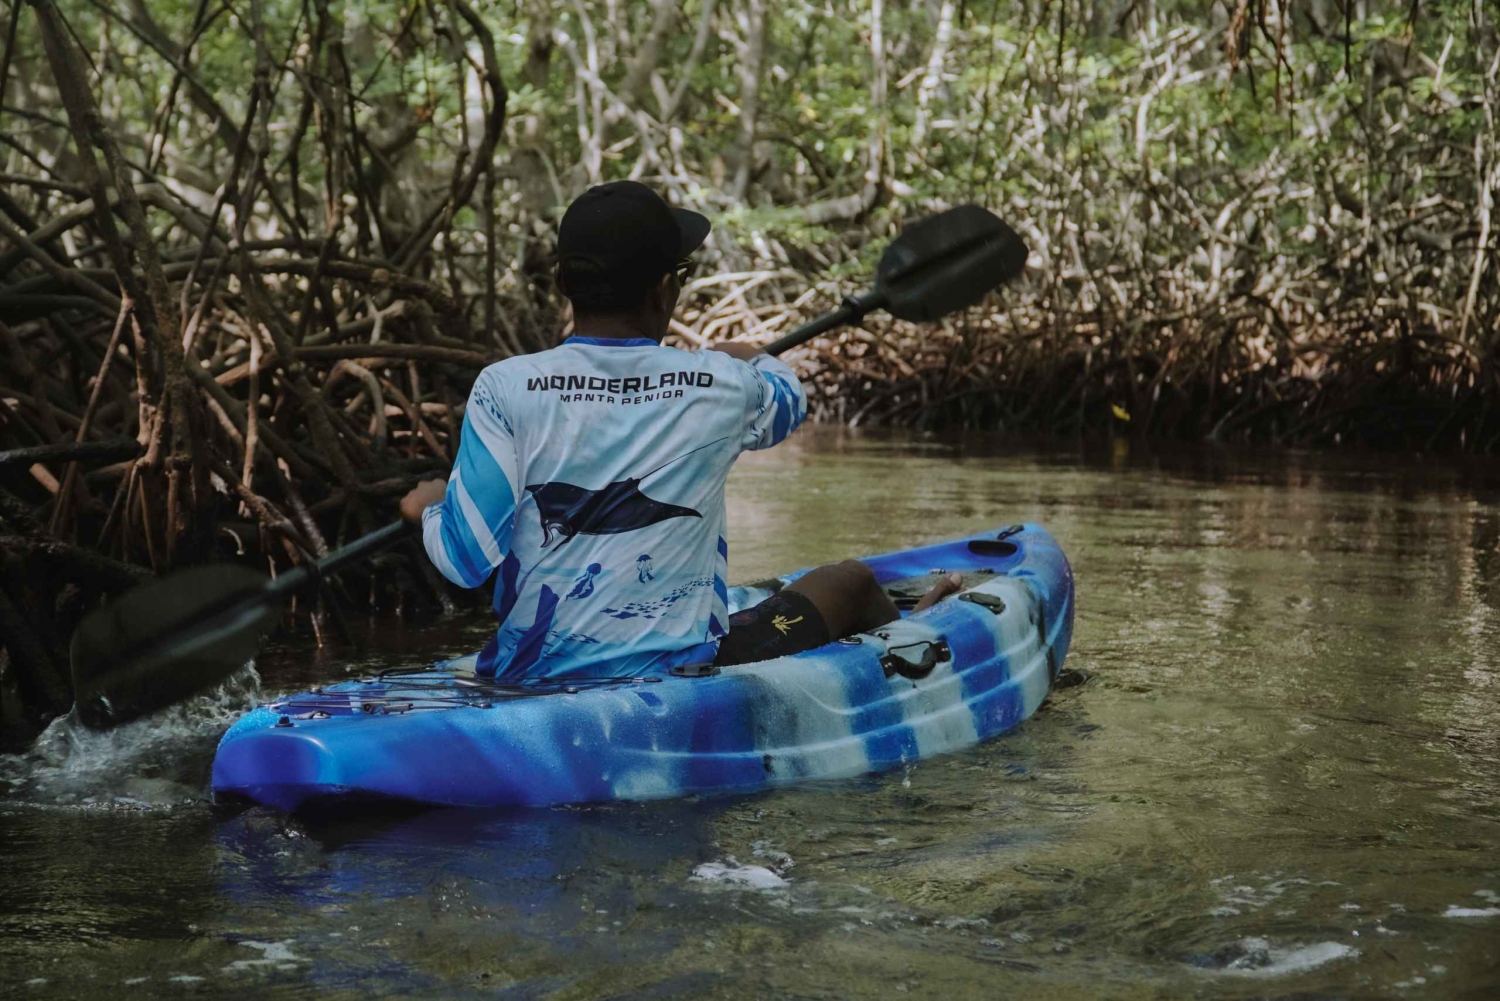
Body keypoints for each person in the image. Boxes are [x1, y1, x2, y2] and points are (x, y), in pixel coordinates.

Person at [399, 180, 961, 679]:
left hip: (529, 672)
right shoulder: (722, 384)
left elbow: (465, 562)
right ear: (666, 287)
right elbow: (789, 400)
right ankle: (913, 653)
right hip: (683, 672)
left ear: (562, 282)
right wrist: (751, 356)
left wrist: (429, 509)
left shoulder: (503, 387)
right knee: (852, 581)